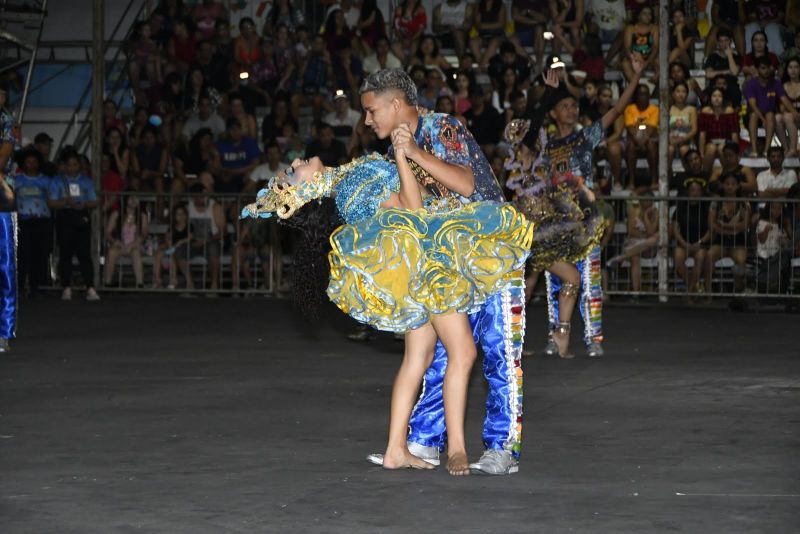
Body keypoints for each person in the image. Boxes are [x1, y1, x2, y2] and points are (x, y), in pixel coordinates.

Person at [242, 152, 533, 476]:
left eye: (291, 165)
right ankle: (457, 450)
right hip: (430, 262)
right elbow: (411, 207)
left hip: (420, 262)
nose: (295, 162)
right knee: (462, 352)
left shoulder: (347, 179)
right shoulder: (352, 186)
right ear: (309, 188)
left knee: (417, 359)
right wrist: (400, 154)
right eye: (292, 172)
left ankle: (396, 449)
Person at [358, 69, 527, 475]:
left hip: (491, 251)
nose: (367, 120)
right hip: (447, 258)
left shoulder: (443, 127)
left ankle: (502, 446)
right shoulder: (392, 151)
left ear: (395, 104)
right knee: (437, 353)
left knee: (500, 348)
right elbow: (413, 210)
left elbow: (466, 185)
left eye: (370, 110)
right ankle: (425, 441)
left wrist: (414, 152)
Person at [542, 53, 647, 358]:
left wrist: (636, 77)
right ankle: (555, 335)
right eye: (565, 106)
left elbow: (617, 109)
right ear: (553, 114)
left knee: (590, 281)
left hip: (586, 220)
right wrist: (548, 92)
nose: (572, 110)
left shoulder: (585, 137)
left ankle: (594, 339)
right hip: (555, 221)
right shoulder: (545, 146)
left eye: (574, 106)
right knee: (555, 283)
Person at [48, 151, 100, 301]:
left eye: (75, 165)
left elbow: (94, 201)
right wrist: (65, 202)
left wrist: (83, 204)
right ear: (64, 166)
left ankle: (90, 287)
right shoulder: (57, 181)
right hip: (65, 218)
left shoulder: (86, 181)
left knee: (84, 254)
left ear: (79, 165)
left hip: (81, 217)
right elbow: (51, 202)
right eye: (69, 165)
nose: (71, 168)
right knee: (65, 254)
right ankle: (66, 287)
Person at [14, 148, 52, 298]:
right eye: (28, 162)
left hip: (41, 220)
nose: (31, 165)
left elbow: (51, 197)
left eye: (34, 162)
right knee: (23, 254)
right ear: (23, 164)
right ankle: (20, 286)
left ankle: (38, 286)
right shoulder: (17, 180)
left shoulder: (46, 180)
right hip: (23, 221)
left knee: (39, 254)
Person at [707, 172, 751, 293]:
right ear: (722, 185)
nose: (730, 186)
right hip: (719, 240)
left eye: (733, 184)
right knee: (709, 256)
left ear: (738, 186)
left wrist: (724, 226)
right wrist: (730, 229)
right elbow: (711, 224)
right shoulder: (716, 202)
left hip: (738, 241)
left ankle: (738, 289)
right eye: (727, 184)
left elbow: (745, 225)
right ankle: (710, 289)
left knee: (741, 260)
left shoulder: (743, 202)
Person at [743, 56, 794, 157]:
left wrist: (794, 112)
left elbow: (784, 99)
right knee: (753, 116)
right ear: (757, 69)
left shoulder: (775, 82)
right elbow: (753, 105)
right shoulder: (751, 83)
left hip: (769, 113)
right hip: (754, 114)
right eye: (763, 68)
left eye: (767, 68)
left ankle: (767, 150)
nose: (766, 71)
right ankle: (754, 150)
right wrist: (763, 120)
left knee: (770, 115)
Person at [0, 81, 19, 352]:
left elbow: (2, 159)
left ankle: (3, 329)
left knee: (4, 264)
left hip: (2, 197)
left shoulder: (7, 122)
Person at [672, 177, 712, 296]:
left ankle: (690, 291)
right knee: (677, 257)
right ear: (688, 192)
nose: (695, 193)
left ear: (701, 192)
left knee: (700, 257)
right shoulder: (681, 207)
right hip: (684, 243)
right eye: (693, 190)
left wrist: (699, 243)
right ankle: (693, 287)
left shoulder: (706, 208)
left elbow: (711, 230)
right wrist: (684, 244)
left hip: (701, 244)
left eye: (698, 190)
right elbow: (675, 229)